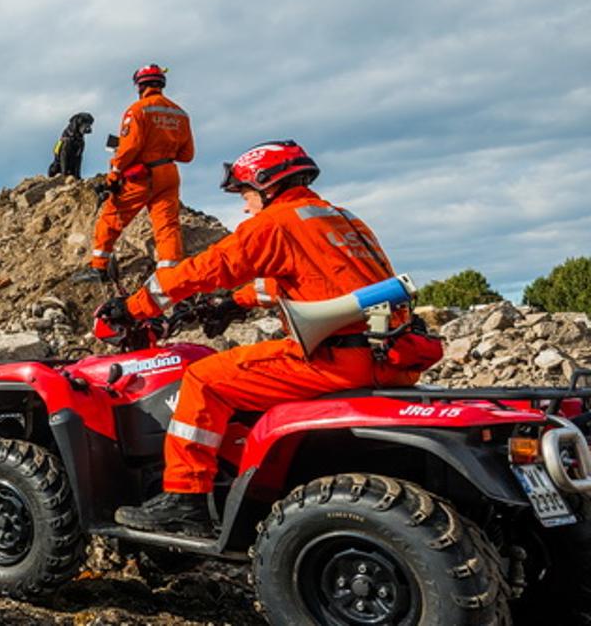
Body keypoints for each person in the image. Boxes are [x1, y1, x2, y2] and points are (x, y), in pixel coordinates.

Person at [97, 141, 437, 534]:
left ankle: (184, 499)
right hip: (389, 357)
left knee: (204, 380)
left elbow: (207, 268)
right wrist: (232, 303)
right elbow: (314, 282)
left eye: (245, 194)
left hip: (336, 360)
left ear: (265, 184)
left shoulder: (275, 222)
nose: (244, 206)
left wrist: (135, 307)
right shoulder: (341, 219)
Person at [86, 64, 194, 281]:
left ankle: (99, 267)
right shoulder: (180, 114)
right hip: (169, 174)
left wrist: (114, 173)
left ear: (139, 85)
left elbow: (130, 147)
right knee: (167, 225)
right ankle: (169, 275)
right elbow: (187, 155)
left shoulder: (137, 111)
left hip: (142, 176)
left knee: (112, 216)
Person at [47, 112, 93, 178]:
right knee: (56, 166)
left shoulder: (80, 139)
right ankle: (64, 175)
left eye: (88, 123)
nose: (87, 126)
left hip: (72, 169)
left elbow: (79, 157)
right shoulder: (66, 138)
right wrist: (64, 175)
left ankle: (76, 175)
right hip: (58, 168)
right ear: (75, 123)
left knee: (78, 157)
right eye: (83, 123)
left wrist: (77, 176)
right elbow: (63, 156)